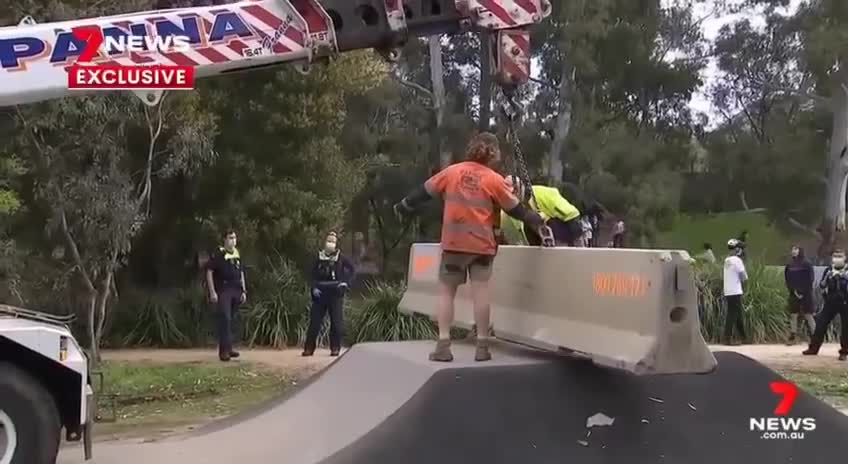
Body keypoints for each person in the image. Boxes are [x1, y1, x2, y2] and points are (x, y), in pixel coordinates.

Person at [393, 132, 552, 363]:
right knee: (481, 293)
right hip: (482, 247)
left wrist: (404, 205)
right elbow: (515, 209)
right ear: (494, 153)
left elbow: (424, 192)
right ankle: (482, 346)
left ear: (471, 148)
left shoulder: (452, 172)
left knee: (447, 292)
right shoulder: (494, 179)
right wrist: (538, 221)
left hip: (454, 245)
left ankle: (444, 345)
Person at [303, 231, 355, 357]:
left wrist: (345, 283)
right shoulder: (318, 257)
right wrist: (314, 287)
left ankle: (335, 348)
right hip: (320, 294)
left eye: (332, 241)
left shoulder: (340, 258)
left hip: (335, 293)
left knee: (336, 323)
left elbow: (352, 270)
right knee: (314, 323)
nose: (330, 243)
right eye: (328, 241)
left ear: (336, 244)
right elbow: (310, 274)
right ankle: (309, 348)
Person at [499, 175, 583, 247]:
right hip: (538, 239)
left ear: (519, 187)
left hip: (562, 230)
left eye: (514, 192)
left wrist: (578, 245)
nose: (512, 196)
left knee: (542, 221)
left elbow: (572, 215)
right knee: (529, 223)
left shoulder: (544, 194)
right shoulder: (509, 210)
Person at [205, 229, 247, 362]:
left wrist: (244, 291)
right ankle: (223, 351)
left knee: (232, 320)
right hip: (224, 290)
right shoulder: (219, 254)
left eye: (234, 238)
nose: (233, 241)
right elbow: (209, 271)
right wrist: (212, 291)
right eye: (230, 238)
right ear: (224, 239)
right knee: (225, 319)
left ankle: (229, 348)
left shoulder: (236, 254)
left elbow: (241, 273)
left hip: (236, 289)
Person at [803, 249, 848, 361]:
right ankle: (813, 348)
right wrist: (829, 277)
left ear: (845, 257)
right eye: (835, 256)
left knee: (846, 328)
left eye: (840, 256)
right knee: (820, 324)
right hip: (831, 302)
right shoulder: (829, 270)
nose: (837, 258)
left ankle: (844, 352)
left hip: (845, 302)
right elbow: (822, 285)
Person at [784, 245, 816, 345]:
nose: (793, 251)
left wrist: (803, 292)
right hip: (793, 293)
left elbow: (810, 279)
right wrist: (794, 291)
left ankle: (815, 337)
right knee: (793, 314)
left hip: (806, 293)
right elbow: (787, 279)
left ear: (800, 251)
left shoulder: (807, 264)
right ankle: (793, 337)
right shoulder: (789, 265)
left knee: (808, 315)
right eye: (792, 249)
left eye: (795, 249)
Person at [722, 238, 748, 345]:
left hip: (728, 290)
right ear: (737, 249)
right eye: (741, 248)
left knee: (737, 314)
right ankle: (727, 338)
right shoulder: (737, 260)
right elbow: (744, 277)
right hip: (735, 291)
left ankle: (743, 337)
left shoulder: (727, 260)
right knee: (732, 314)